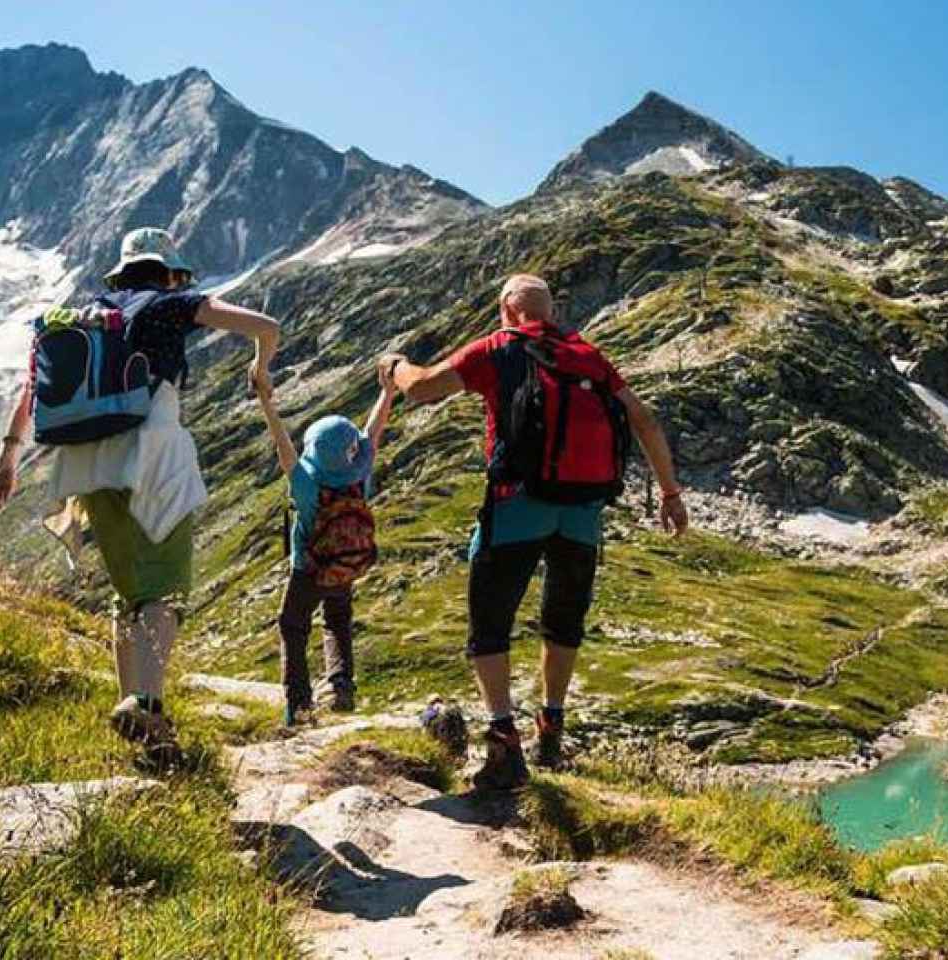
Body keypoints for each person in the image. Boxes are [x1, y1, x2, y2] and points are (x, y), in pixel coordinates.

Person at [0, 227, 282, 759]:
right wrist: (260, 365)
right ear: (168, 270)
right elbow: (265, 325)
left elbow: (32, 390)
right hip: (153, 456)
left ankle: (139, 716)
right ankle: (146, 703)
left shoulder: (84, 317)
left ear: (121, 272)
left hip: (88, 464)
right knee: (163, 591)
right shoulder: (173, 304)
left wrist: (7, 459)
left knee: (128, 593)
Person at [380, 273, 689, 790]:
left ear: (506, 308)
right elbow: (645, 420)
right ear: (551, 310)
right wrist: (671, 493)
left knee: (490, 623)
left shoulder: (498, 348)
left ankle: (504, 742)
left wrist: (393, 366)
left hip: (518, 505)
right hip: (583, 512)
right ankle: (551, 727)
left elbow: (424, 389)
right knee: (563, 620)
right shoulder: (588, 356)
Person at [252, 361, 395, 727]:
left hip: (308, 568)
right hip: (345, 565)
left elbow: (283, 446)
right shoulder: (359, 476)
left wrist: (268, 405)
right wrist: (387, 391)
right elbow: (372, 431)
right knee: (338, 620)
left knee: (293, 626)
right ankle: (341, 684)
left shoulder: (307, 484)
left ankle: (299, 704)